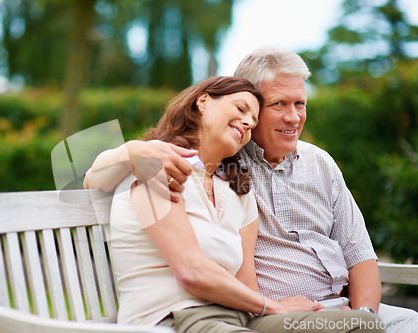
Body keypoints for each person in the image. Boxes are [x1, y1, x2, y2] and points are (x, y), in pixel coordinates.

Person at [85, 46, 418, 332]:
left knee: (386, 322)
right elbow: (87, 177)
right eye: (274, 106)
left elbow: (356, 253)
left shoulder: (234, 187)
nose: (292, 117)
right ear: (203, 102)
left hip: (263, 314)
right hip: (182, 316)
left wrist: (356, 312)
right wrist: (130, 151)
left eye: (300, 104)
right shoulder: (158, 166)